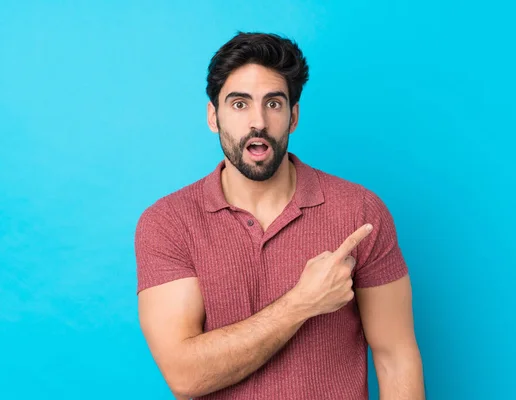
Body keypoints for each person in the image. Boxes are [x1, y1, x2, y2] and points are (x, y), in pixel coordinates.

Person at [134, 32, 425, 400]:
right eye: (239, 104)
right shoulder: (168, 223)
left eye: (273, 103)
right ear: (213, 116)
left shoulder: (360, 211)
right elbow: (185, 375)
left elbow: (396, 356)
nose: (258, 122)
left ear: (293, 117)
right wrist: (303, 302)